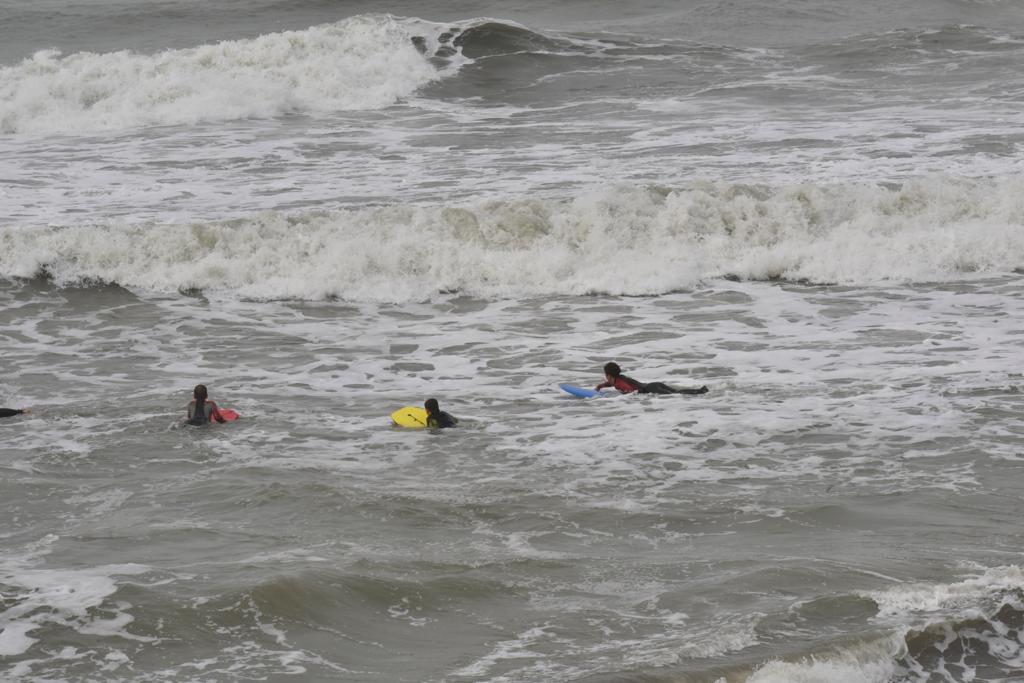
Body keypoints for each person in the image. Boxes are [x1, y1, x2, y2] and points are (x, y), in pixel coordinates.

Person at [595, 361, 708, 395]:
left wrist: (624, 396)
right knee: (677, 392)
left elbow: (629, 390)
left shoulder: (619, 383)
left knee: (677, 394)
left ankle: (700, 392)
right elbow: (612, 384)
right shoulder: (620, 378)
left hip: (651, 389)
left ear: (609, 376)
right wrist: (601, 386)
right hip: (654, 385)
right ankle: (701, 391)